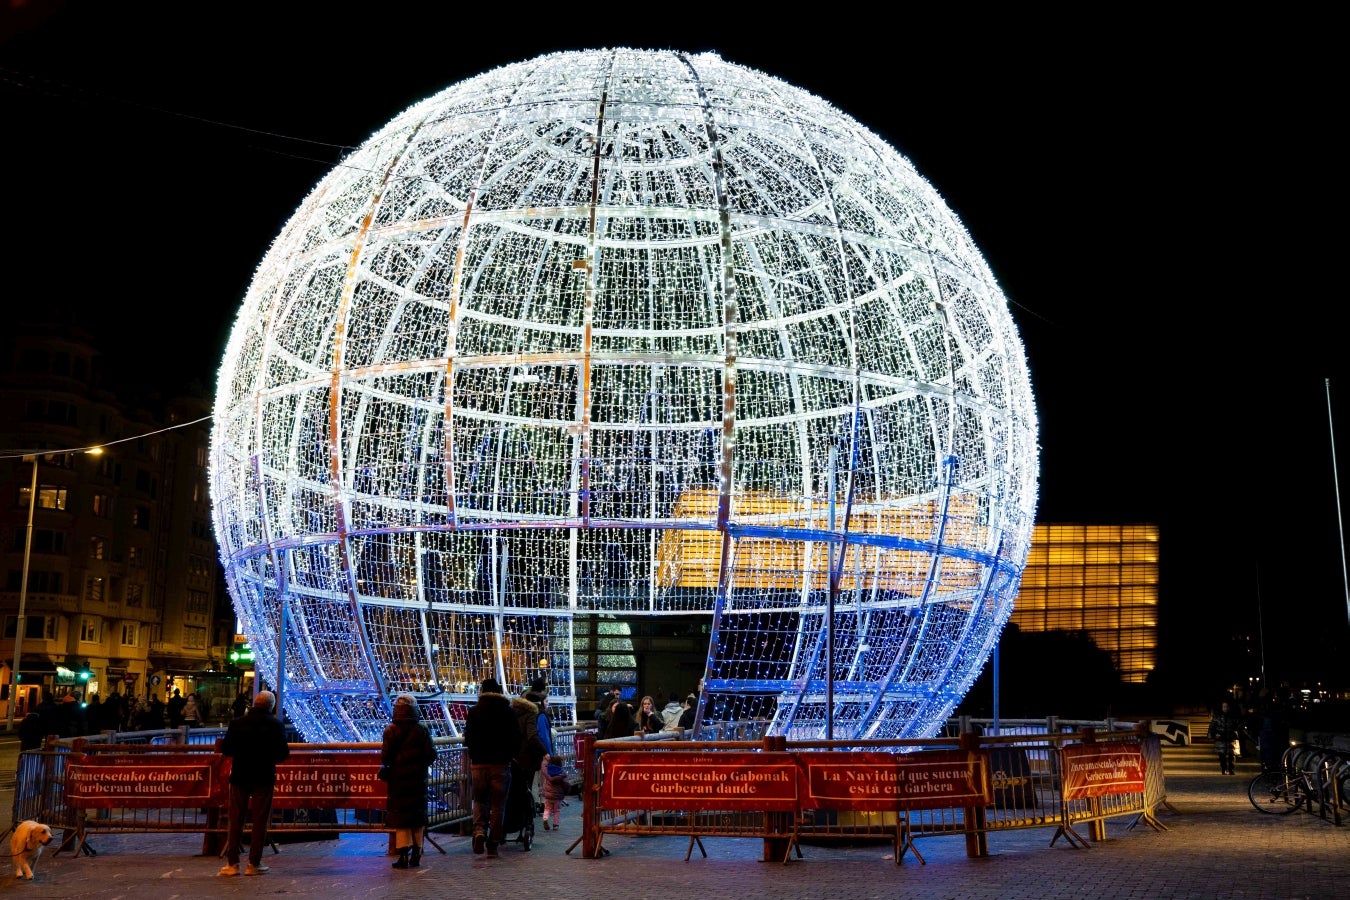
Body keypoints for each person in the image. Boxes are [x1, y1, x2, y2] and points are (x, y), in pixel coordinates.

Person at [219, 690, 290, 876]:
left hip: (240, 775)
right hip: (263, 777)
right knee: (259, 820)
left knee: (236, 820)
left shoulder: (237, 723)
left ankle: (232, 864)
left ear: (254, 703)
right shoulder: (275, 725)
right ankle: (253, 864)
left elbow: (226, 749)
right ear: (271, 706)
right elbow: (283, 754)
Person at [462, 677, 522, 858]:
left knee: (479, 800)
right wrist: (510, 755)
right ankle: (493, 842)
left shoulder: (474, 712)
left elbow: (468, 738)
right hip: (501, 764)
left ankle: (479, 830)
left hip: (479, 764)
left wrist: (474, 754)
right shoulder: (509, 712)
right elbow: (516, 738)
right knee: (498, 805)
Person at [381, 693, 437, 869]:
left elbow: (385, 757)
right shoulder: (422, 730)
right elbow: (431, 754)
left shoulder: (390, 730)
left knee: (401, 818)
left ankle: (403, 854)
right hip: (418, 779)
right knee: (417, 818)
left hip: (398, 780)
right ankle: (417, 853)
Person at [1209, 699, 1244, 775]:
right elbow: (1212, 726)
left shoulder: (1233, 716)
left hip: (1231, 738)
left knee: (1232, 755)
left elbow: (1239, 725)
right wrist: (1212, 735)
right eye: (1224, 707)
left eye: (1227, 707)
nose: (1226, 708)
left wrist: (1237, 729)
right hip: (1220, 738)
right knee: (1222, 755)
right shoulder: (1217, 716)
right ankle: (1223, 769)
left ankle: (1231, 769)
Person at [539, 754, 568, 831]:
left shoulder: (547, 771)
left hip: (548, 796)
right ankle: (555, 825)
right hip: (558, 797)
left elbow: (543, 769)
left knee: (547, 809)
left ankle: (545, 819)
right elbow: (565, 784)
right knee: (557, 811)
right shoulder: (561, 773)